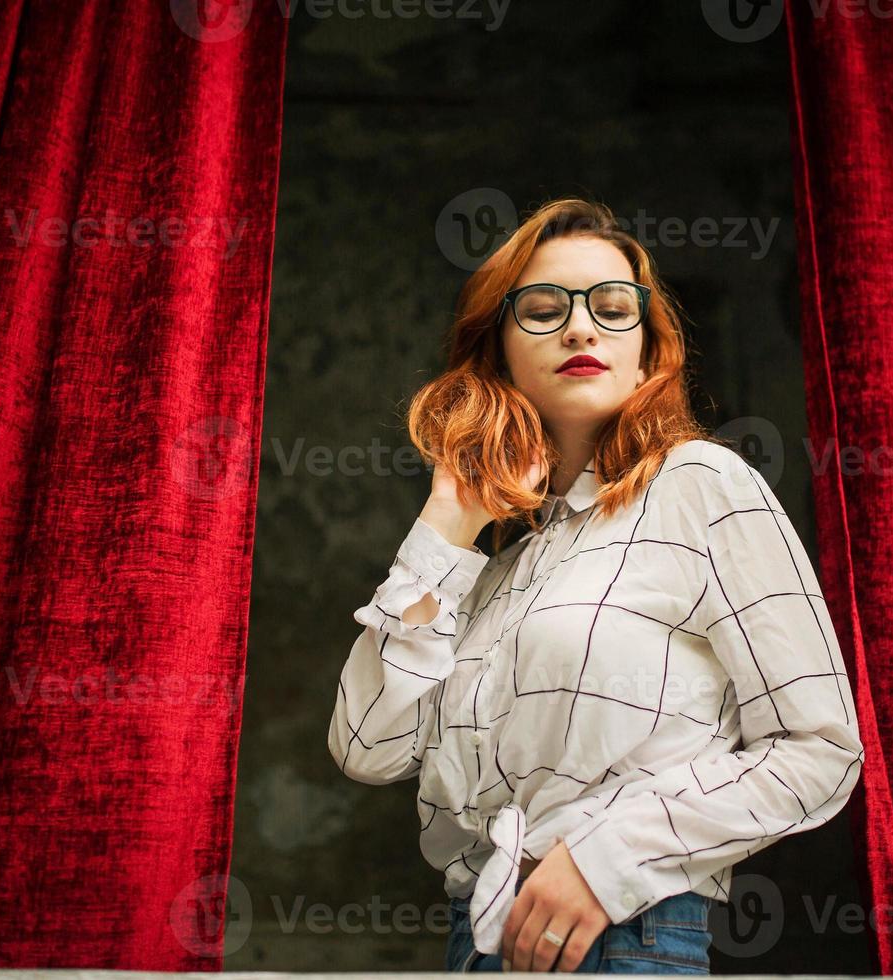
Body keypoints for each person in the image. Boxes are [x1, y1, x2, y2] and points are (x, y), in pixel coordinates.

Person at [327, 197, 864, 973]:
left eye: (612, 309)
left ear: (646, 350)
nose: (581, 328)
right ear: (497, 352)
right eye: (543, 309)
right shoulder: (496, 563)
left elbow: (818, 749)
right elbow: (366, 748)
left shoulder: (702, 486)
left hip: (627, 936)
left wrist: (606, 857)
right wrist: (444, 530)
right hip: (474, 945)